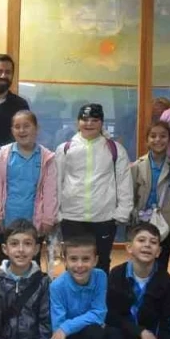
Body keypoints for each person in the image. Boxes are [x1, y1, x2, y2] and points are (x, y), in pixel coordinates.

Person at [56, 103, 132, 273]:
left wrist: (122, 212)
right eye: (85, 119)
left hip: (104, 218)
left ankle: (100, 292)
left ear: (102, 123)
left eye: (94, 120)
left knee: (101, 262)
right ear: (77, 122)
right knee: (73, 264)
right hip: (71, 217)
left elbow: (124, 182)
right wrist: (57, 212)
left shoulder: (115, 149)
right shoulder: (65, 149)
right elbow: (57, 182)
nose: (89, 123)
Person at [0, 109, 58, 263]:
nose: (22, 130)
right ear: (12, 130)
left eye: (26, 126)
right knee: (5, 262)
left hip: (35, 222)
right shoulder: (3, 155)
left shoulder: (47, 157)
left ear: (36, 129)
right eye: (17, 127)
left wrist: (48, 219)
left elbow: (50, 191)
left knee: (32, 263)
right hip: (6, 220)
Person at [49, 232, 110, 339]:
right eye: (73, 259)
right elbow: (57, 331)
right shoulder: (57, 286)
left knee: (96, 331)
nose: (80, 265)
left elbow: (99, 313)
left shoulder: (100, 277)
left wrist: (66, 327)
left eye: (86, 259)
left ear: (95, 260)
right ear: (65, 261)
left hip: (88, 337)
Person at [132, 120, 170, 272]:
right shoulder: (137, 166)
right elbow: (131, 195)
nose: (158, 140)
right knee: (141, 263)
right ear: (147, 140)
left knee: (161, 264)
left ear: (169, 140)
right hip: (142, 221)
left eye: (163, 136)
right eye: (153, 136)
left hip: (166, 222)